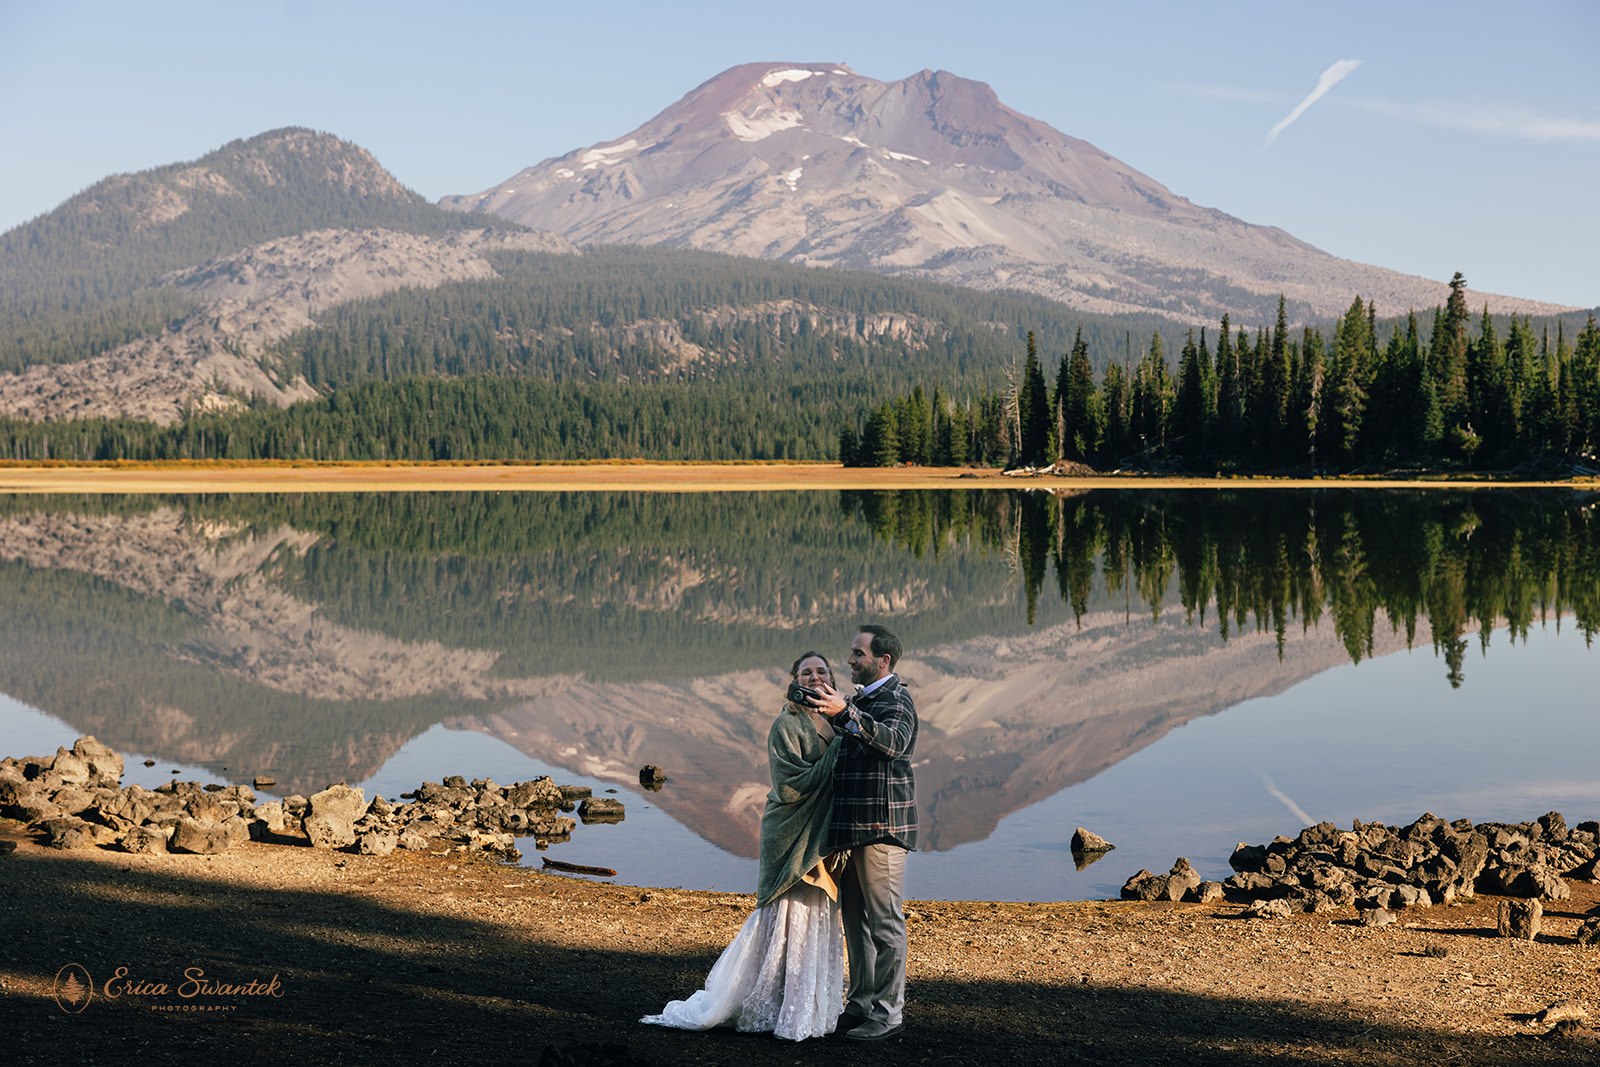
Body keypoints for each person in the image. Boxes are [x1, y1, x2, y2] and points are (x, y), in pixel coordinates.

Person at [640, 652, 846, 1041]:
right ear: (795, 682)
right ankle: (771, 1004)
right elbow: (791, 786)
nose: (815, 677)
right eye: (806, 672)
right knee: (788, 917)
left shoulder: (837, 721)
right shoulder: (786, 725)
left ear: (832, 678)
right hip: (790, 833)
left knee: (815, 915)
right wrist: (842, 746)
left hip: (823, 835)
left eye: (822, 671)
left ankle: (808, 1008)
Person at [811, 624, 918, 1043]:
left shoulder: (897, 699)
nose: (851, 660)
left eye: (858, 654)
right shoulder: (862, 700)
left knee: (886, 925)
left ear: (883, 661)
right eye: (852, 653)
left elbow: (895, 744)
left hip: (881, 830)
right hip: (851, 830)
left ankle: (889, 1015)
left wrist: (846, 715)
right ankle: (860, 1005)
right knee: (855, 922)